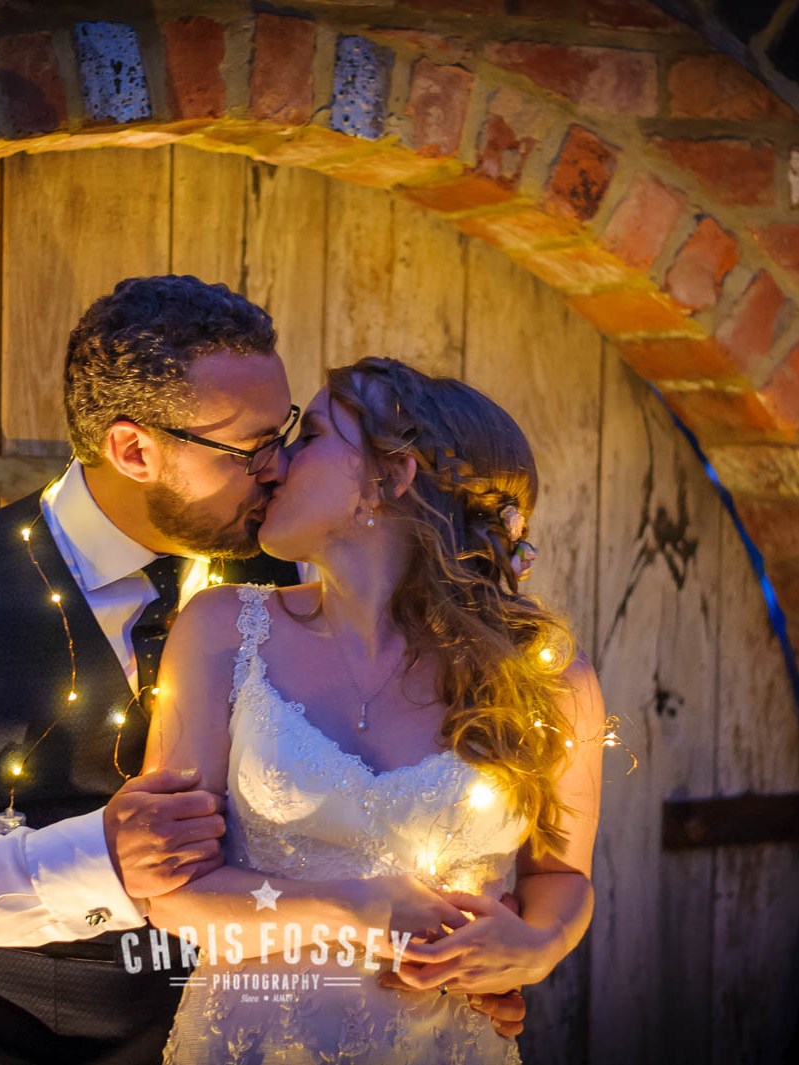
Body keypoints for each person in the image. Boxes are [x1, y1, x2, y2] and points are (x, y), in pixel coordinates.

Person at [0, 277, 523, 1065]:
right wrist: (97, 860)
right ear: (134, 451)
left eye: (286, 433)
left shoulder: (299, 563)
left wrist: (488, 950)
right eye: (250, 448)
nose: (278, 467)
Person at [145, 357, 605, 1064]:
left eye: (310, 437)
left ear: (389, 477)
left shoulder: (547, 677)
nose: (273, 466)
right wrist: (349, 909)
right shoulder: (221, 630)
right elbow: (170, 894)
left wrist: (537, 947)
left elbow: (560, 878)